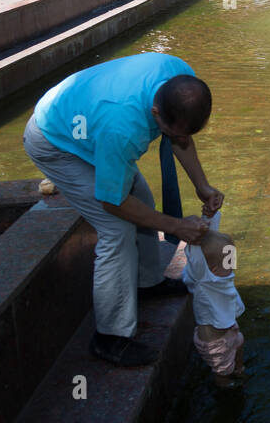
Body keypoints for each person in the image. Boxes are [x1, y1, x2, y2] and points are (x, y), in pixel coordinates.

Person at [22, 53, 220, 366]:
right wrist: (177, 226)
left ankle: (148, 282)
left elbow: (180, 137)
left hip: (88, 123)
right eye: (174, 132)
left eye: (188, 133)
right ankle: (110, 338)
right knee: (117, 229)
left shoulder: (181, 78)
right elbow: (111, 202)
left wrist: (202, 186)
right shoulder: (122, 127)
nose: (182, 139)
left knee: (142, 198)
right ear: (155, 112)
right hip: (56, 141)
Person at [182, 213, 246, 389]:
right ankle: (225, 386)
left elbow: (212, 234)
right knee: (222, 371)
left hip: (229, 330)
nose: (232, 264)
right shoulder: (204, 280)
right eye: (228, 259)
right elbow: (196, 254)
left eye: (232, 256)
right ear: (212, 268)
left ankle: (239, 368)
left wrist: (210, 216)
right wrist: (192, 240)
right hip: (215, 342)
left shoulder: (224, 276)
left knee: (239, 344)